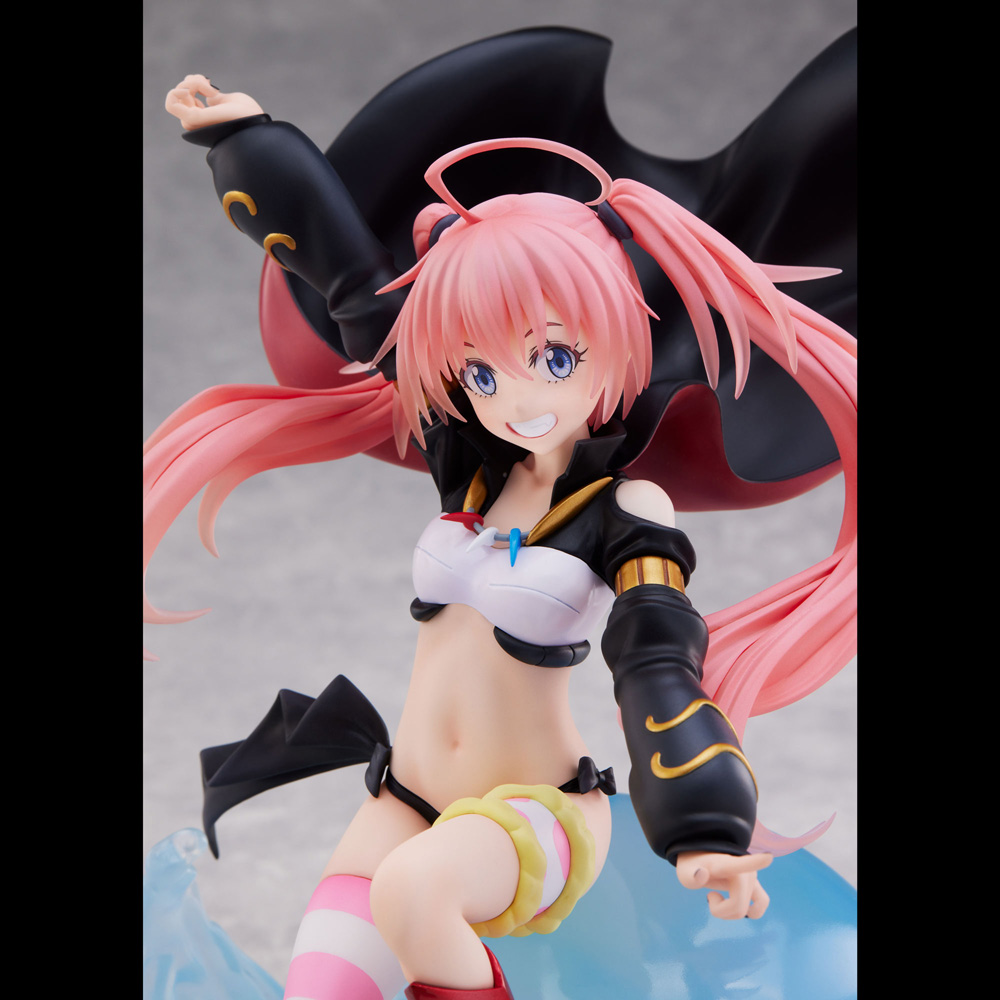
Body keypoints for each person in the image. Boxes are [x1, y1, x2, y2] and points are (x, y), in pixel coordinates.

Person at [145, 31, 855, 1000]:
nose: (513, 396)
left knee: (414, 895)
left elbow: (656, 663)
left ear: (616, 343)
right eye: (480, 370)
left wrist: (703, 829)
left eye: (553, 357)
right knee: (323, 982)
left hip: (538, 817)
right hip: (407, 795)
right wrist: (244, 140)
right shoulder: (465, 464)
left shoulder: (626, 510)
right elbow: (351, 284)